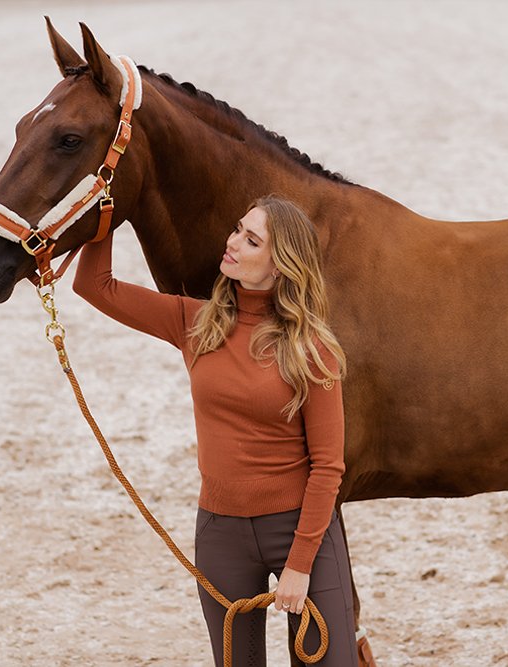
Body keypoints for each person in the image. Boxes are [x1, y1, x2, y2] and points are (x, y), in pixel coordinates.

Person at [73, 195, 359, 667]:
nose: (232, 243)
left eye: (252, 239)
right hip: (220, 533)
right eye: (237, 229)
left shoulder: (312, 349)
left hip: (301, 531)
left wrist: (300, 565)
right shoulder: (196, 322)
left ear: (280, 263)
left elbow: (329, 466)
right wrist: (108, 213)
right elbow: (94, 284)